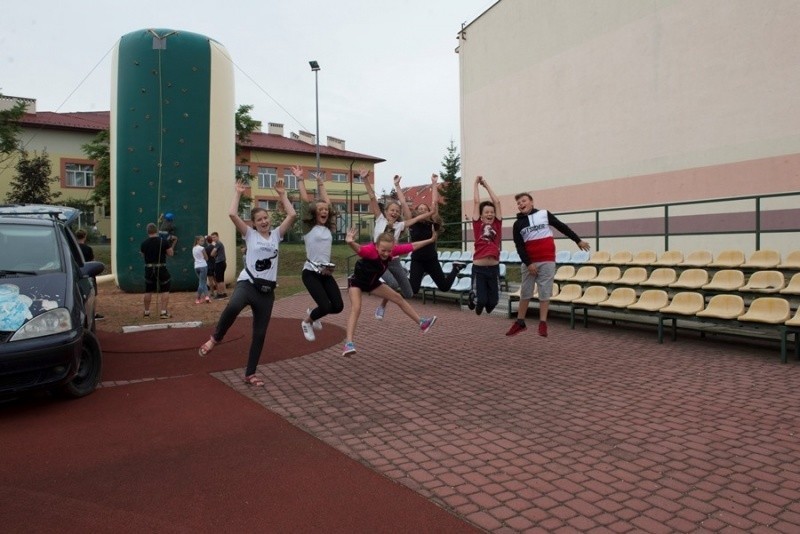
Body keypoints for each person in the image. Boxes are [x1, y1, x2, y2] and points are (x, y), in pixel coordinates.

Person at [198, 178, 296, 387]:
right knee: (233, 305)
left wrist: (282, 195)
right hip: (248, 284)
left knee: (259, 334)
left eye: (265, 218)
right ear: (253, 223)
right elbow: (232, 214)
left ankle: (250, 374)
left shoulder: (276, 235)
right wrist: (238, 192)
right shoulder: (249, 235)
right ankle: (215, 338)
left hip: (267, 292)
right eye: (259, 219)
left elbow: (292, 215)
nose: (263, 221)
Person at [342, 226, 438, 357]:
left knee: (398, 297)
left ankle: (422, 323)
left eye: (389, 251)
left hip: (373, 283)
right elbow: (358, 248)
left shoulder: (393, 251)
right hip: (357, 283)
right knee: (356, 308)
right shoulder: (370, 251)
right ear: (376, 246)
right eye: (383, 250)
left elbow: (413, 246)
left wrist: (430, 240)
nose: (386, 254)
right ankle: (349, 343)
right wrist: (350, 242)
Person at [507, 191, 590, 337]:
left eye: (523, 201)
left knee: (545, 292)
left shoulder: (544, 214)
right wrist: (528, 263)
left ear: (531, 202)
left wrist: (578, 240)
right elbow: (519, 246)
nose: (521, 204)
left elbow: (561, 227)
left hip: (547, 260)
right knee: (525, 292)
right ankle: (520, 322)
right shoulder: (517, 224)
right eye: (518, 203)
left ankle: (543, 323)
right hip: (529, 263)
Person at [364, 170, 433, 320]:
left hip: (393, 260)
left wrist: (430, 213)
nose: (394, 213)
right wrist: (365, 179)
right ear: (386, 211)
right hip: (378, 259)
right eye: (392, 210)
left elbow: (415, 220)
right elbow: (372, 198)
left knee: (409, 293)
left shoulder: (400, 225)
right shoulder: (380, 219)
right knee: (393, 284)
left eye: (397, 211)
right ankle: (382, 306)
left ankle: (388, 296)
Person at [295, 165, 344, 342]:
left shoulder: (329, 228)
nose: (324, 211)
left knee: (337, 306)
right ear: (314, 213)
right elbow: (304, 201)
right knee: (324, 305)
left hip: (326, 272)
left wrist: (321, 184)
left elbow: (328, 204)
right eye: (320, 209)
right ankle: (307, 322)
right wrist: (300, 180)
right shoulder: (309, 228)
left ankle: (313, 314)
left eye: (326, 210)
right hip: (310, 273)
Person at [396, 173, 465, 294]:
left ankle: (456, 268)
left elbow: (435, 203)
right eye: (420, 209)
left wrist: (434, 184)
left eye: (425, 209)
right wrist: (397, 185)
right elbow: (403, 203)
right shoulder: (412, 223)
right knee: (414, 290)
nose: (422, 210)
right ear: (416, 212)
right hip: (417, 260)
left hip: (431, 259)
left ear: (428, 212)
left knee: (444, 287)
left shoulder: (432, 222)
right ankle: (403, 275)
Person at [140, 222, 176, 319]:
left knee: (148, 290)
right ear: (156, 230)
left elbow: (142, 255)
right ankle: (163, 312)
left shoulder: (144, 243)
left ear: (147, 231)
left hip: (149, 268)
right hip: (161, 268)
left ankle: (146, 312)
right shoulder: (163, 241)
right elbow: (170, 254)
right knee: (165, 289)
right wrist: (172, 245)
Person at [76, 228, 104, 320]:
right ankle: (92, 313)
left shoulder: (73, 249)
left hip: (77, 274)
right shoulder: (88, 249)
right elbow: (92, 260)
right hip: (88, 273)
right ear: (85, 236)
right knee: (92, 294)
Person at [192, 235, 211, 304]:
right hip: (203, 266)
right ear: (197, 241)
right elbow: (206, 258)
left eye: (203, 241)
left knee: (203, 282)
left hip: (196, 266)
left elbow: (194, 258)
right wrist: (205, 259)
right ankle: (198, 298)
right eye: (201, 241)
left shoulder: (193, 248)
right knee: (202, 283)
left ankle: (207, 296)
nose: (203, 242)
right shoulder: (202, 248)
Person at [209, 232, 228, 299]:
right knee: (221, 279)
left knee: (219, 280)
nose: (213, 238)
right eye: (212, 237)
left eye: (214, 237)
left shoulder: (218, 244)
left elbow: (212, 253)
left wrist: (214, 254)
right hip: (222, 262)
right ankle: (224, 293)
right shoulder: (219, 244)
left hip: (219, 263)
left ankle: (220, 293)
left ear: (218, 237)